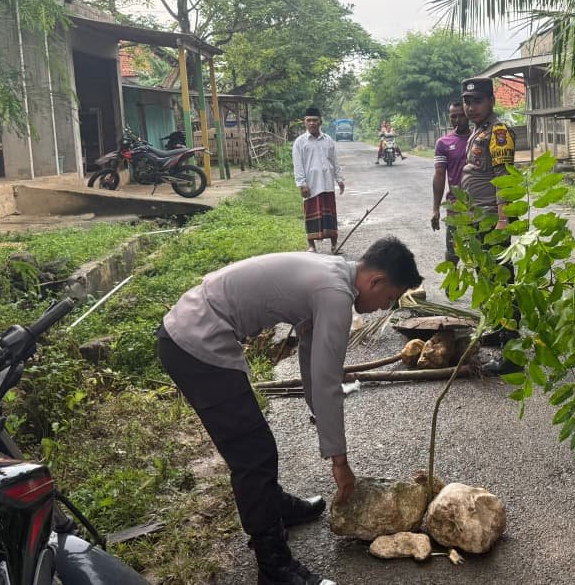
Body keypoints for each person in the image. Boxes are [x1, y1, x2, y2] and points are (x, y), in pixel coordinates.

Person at [156, 238, 423, 585]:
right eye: (388, 299)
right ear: (375, 281)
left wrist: (322, 422)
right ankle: (274, 566)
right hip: (195, 340)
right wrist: (339, 462)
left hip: (193, 327)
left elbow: (314, 363)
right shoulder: (335, 293)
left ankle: (272, 506)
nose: (382, 308)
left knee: (254, 444)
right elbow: (328, 380)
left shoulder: (332, 273)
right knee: (253, 455)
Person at [458, 77, 519, 374]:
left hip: (494, 221)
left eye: (477, 101)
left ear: (491, 102)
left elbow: (504, 179)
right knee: (489, 280)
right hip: (479, 219)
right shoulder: (478, 131)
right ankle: (499, 330)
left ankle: (513, 355)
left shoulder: (498, 132)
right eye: (467, 102)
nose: (471, 107)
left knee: (503, 283)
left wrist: (504, 221)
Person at [292, 107, 344, 252]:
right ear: (305, 122)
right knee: (310, 214)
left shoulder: (328, 140)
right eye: (309, 120)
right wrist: (302, 184)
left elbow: (334, 162)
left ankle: (334, 244)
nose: (312, 123)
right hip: (311, 185)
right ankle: (311, 246)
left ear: (320, 121)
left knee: (330, 215)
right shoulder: (300, 142)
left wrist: (339, 179)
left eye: (315, 120)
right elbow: (298, 165)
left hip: (327, 184)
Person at [430, 100, 471, 264]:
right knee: (453, 252)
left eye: (461, 116)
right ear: (449, 118)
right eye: (454, 116)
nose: (458, 120)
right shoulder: (443, 143)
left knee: (481, 255)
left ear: (467, 115)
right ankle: (451, 287)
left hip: (481, 205)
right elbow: (439, 175)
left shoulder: (480, 138)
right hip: (456, 207)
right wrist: (435, 209)